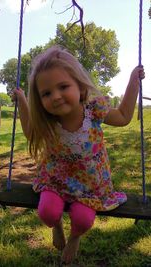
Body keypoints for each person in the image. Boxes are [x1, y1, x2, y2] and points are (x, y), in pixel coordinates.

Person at [13, 45, 145, 265]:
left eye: (63, 86)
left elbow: (123, 116)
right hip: (56, 181)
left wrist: (133, 80)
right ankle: (57, 227)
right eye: (46, 93)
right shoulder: (49, 121)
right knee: (47, 212)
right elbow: (30, 132)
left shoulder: (94, 112)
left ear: (80, 87)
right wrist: (23, 102)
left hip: (90, 186)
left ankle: (75, 238)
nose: (55, 96)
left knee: (83, 220)